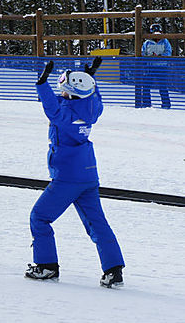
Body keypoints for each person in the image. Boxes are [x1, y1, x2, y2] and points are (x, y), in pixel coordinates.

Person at [26, 57, 125, 288]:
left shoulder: (66, 116)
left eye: (65, 91)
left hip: (68, 177)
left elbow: (51, 108)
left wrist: (42, 83)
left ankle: (47, 266)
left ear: (73, 94)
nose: (62, 94)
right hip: (88, 174)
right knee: (97, 223)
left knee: (39, 217)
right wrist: (91, 77)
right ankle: (113, 270)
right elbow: (90, 95)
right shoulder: (91, 107)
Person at [135, 23, 172, 109]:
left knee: (163, 86)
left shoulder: (165, 41)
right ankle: (146, 104)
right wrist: (148, 58)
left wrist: (160, 57)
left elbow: (168, 52)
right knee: (146, 86)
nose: (156, 35)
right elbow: (143, 53)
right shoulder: (147, 42)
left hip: (162, 67)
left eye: (158, 33)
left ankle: (166, 104)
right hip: (150, 67)